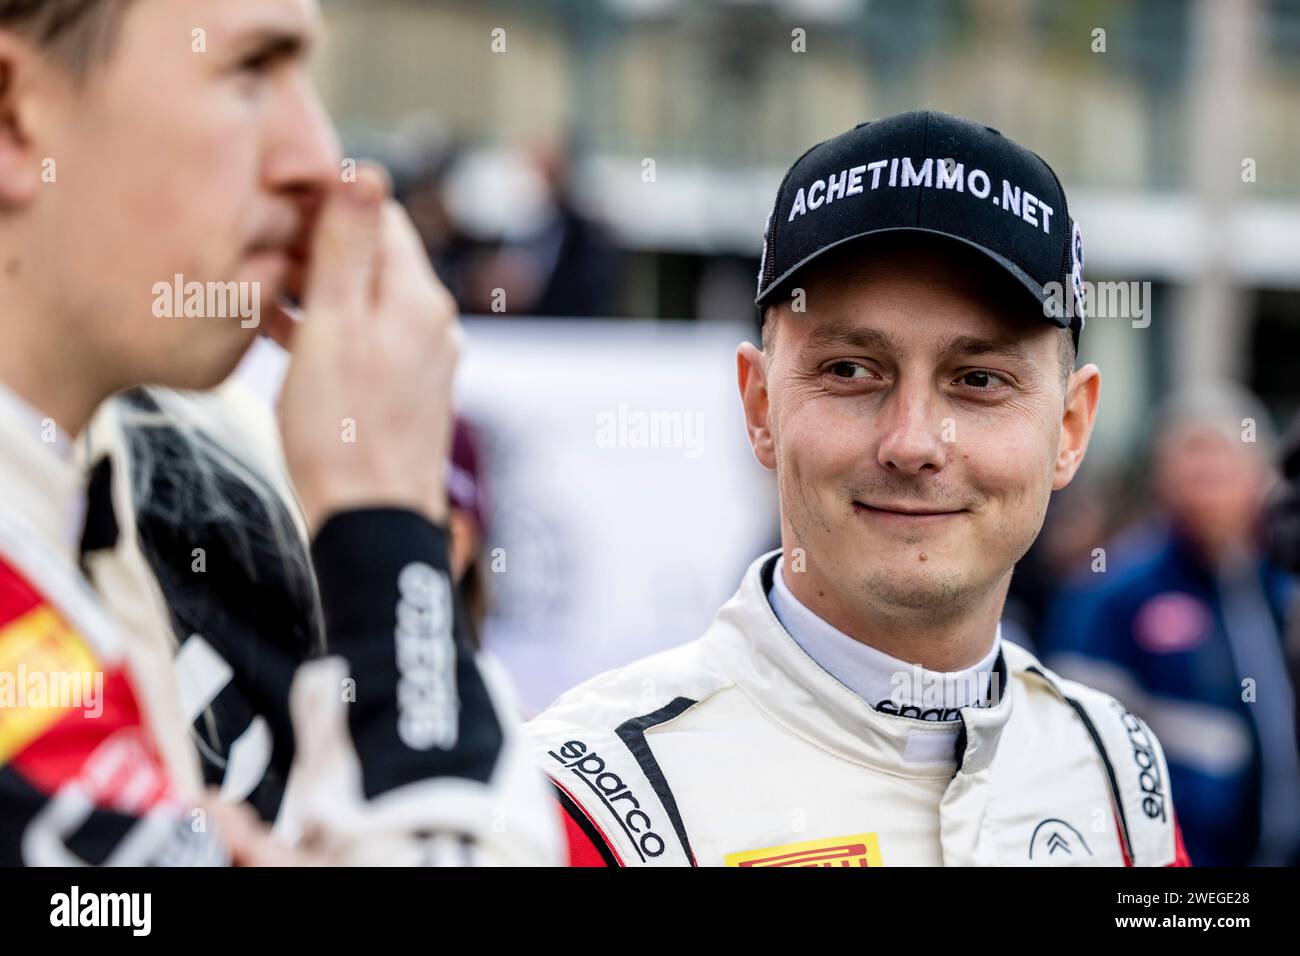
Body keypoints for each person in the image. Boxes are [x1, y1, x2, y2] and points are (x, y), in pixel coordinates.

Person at [525, 111, 1191, 867]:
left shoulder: (1117, 772)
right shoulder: (577, 804)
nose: (911, 443)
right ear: (761, 406)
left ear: (1069, 428)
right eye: (849, 370)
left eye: (978, 380)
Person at [0, 0, 558, 865]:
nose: (319, 161)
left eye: (308, 79)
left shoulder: (103, 465)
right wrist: (385, 525)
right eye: (250, 72)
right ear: (12, 114)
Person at [1044, 385, 1300, 866]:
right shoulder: (1111, 594)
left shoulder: (1280, 582)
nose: (1209, 483)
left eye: (1224, 467)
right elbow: (1073, 751)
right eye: (1193, 465)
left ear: (1260, 476)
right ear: (1163, 478)